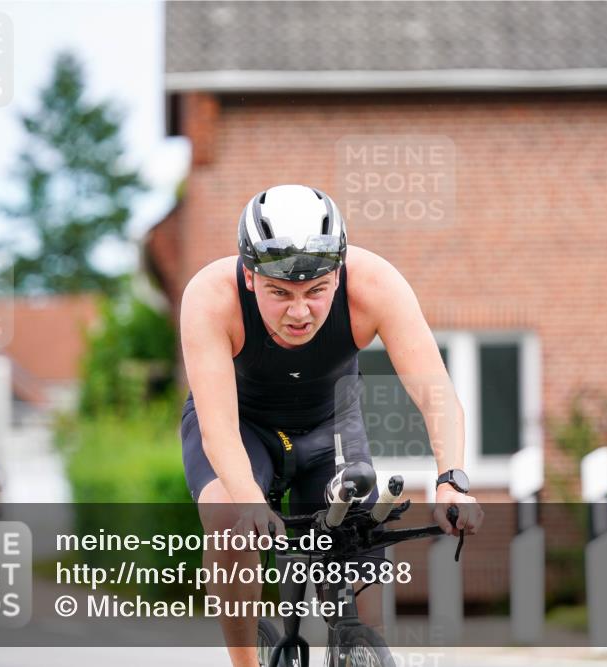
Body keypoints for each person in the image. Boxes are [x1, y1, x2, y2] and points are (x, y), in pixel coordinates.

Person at [180, 184, 484, 667]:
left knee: (363, 559)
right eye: (280, 292)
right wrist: (250, 502)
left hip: (329, 431)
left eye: (317, 291)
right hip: (242, 429)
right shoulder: (211, 296)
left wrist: (452, 480)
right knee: (228, 521)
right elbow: (218, 427)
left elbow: (437, 393)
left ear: (339, 274)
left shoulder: (376, 284)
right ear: (250, 276)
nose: (299, 312)